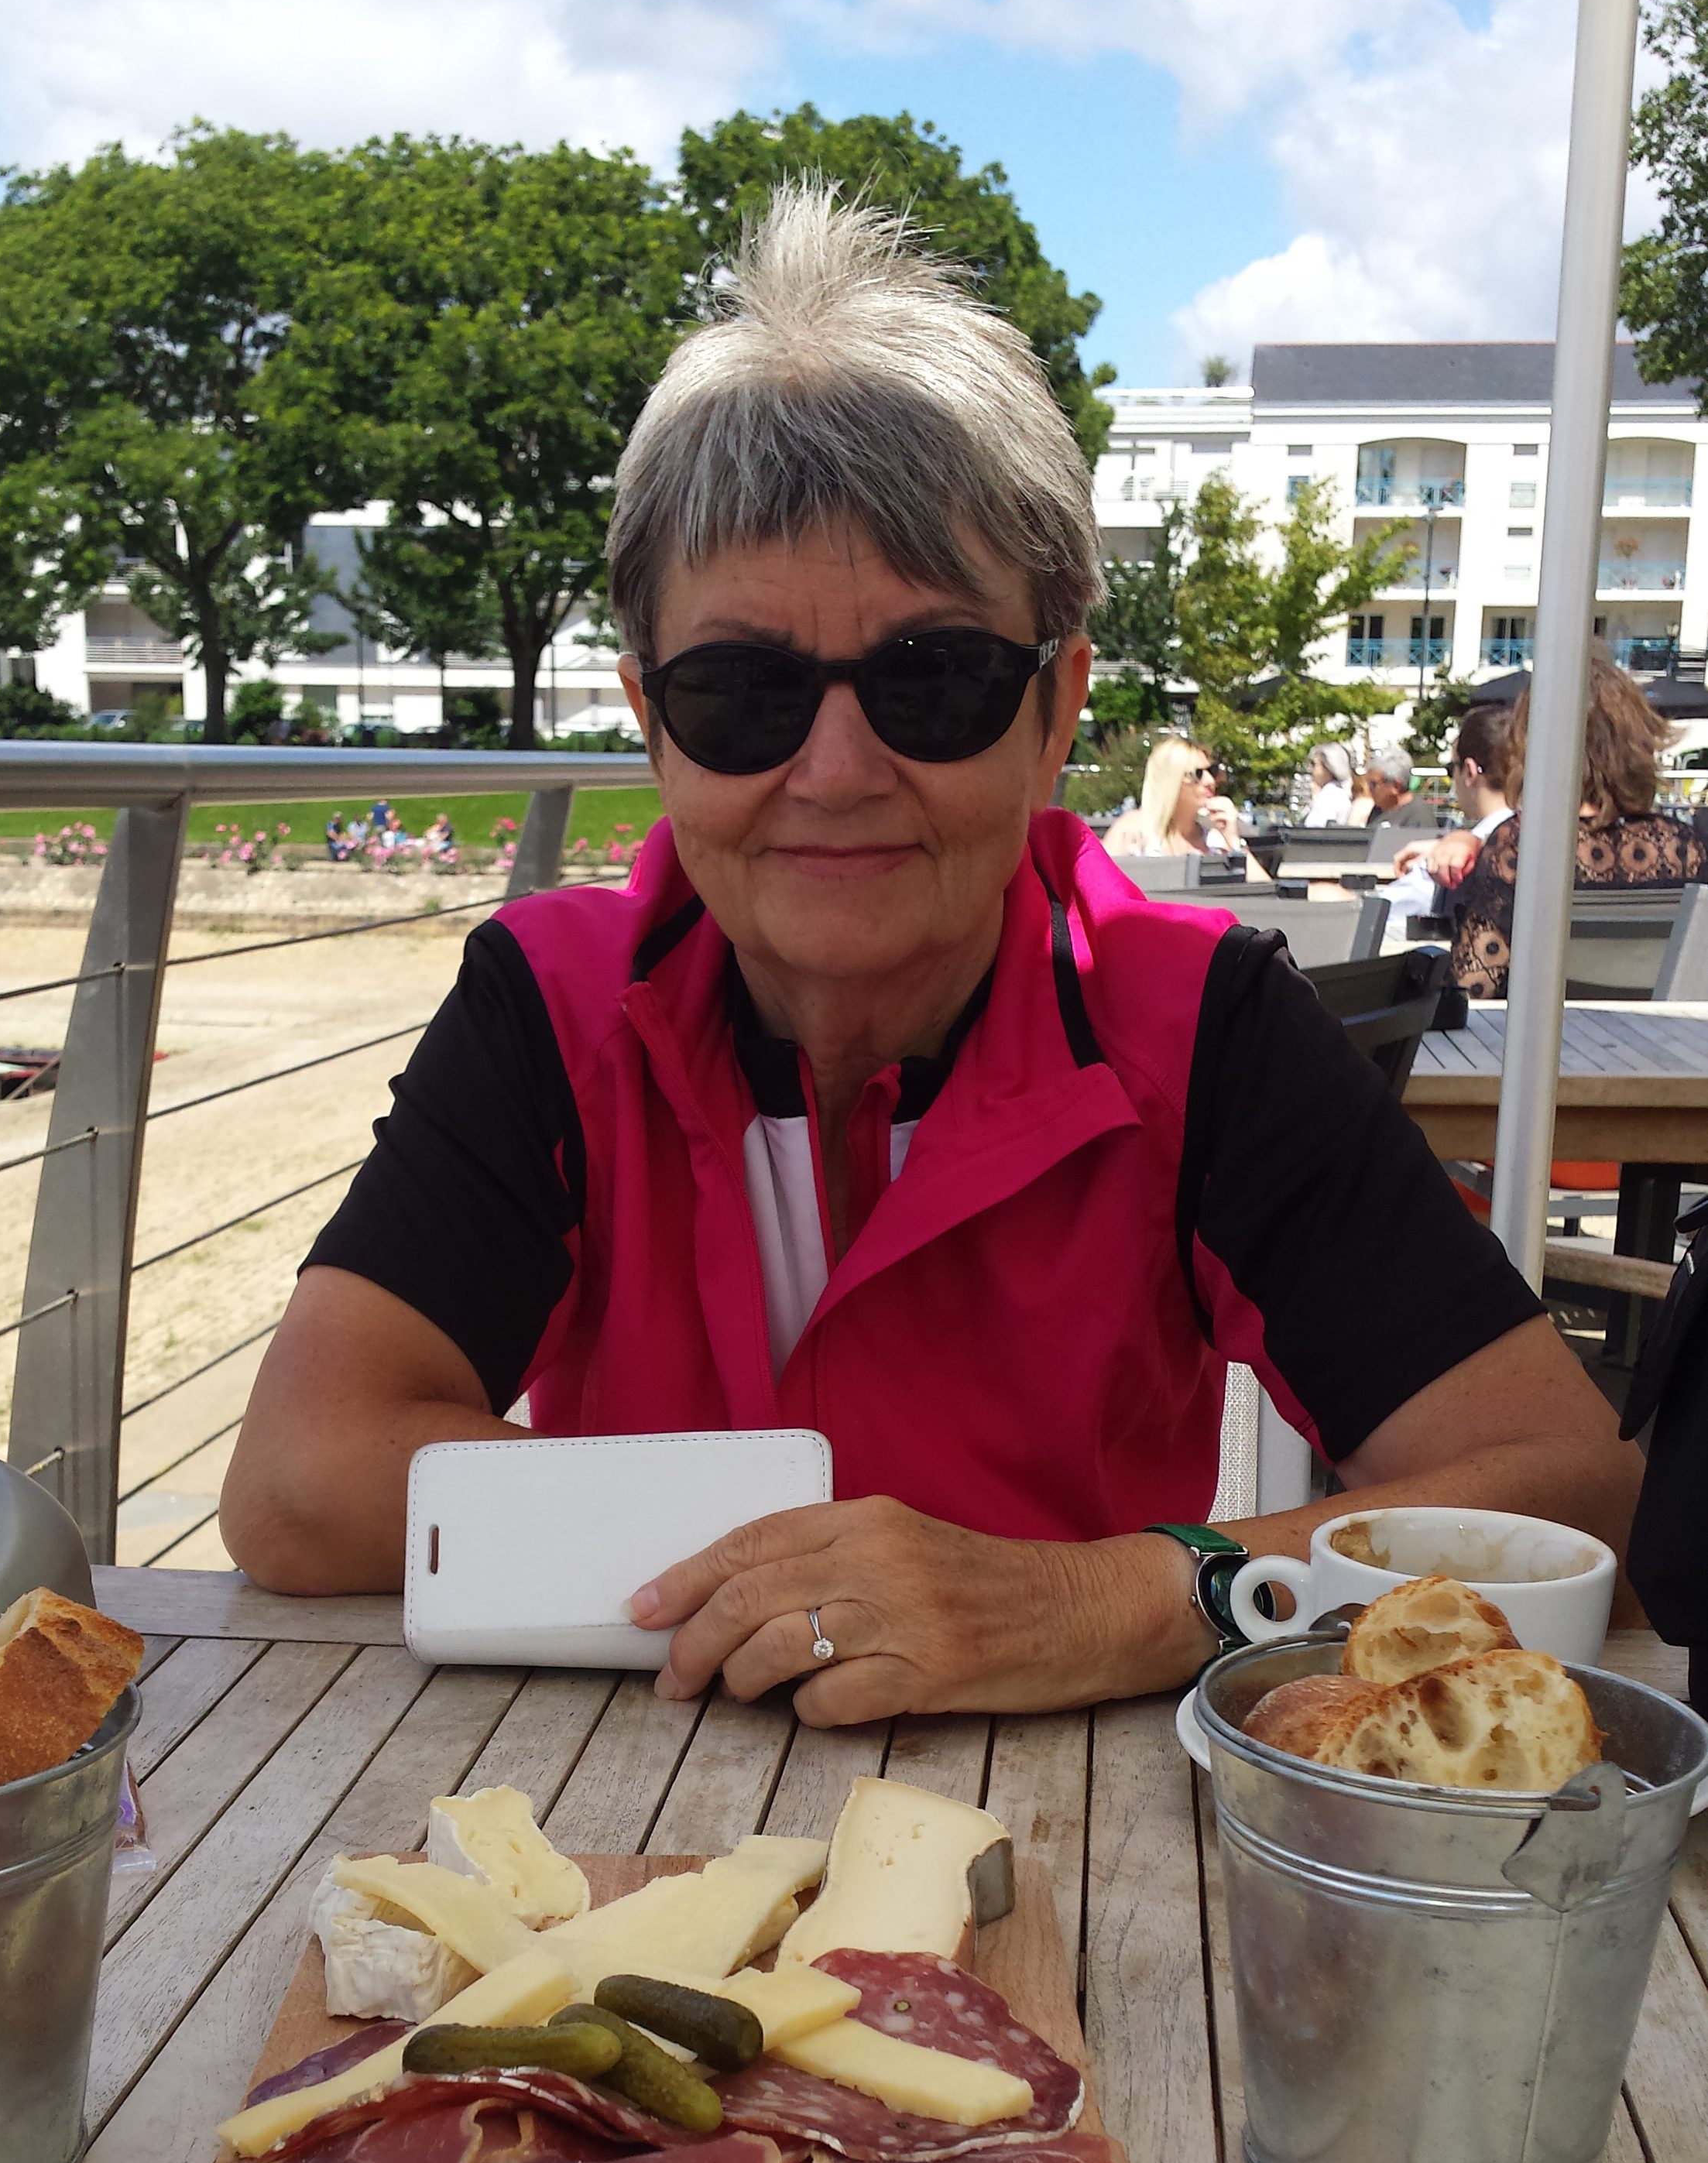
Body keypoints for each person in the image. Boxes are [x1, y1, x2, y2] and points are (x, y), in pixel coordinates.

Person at [219, 190, 1636, 1719]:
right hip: (613, 1797)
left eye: (935, 678)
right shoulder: (551, 1004)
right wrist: (805, 1584)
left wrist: (1104, 1600)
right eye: (742, 691)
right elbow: (299, 1482)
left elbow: (1570, 1492)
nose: (834, 772)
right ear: (651, 723)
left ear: (1055, 710)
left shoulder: (1199, 1024)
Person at [1442, 656, 1708, 994]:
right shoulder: (1684, 848)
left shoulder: (1520, 846)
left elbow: (1475, 987)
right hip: (1652, 1027)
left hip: (1549, 1028)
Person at [1381, 703, 1516, 948]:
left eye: (1452, 766)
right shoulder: (1552, 840)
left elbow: (1380, 912)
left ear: (1470, 771)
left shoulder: (1453, 858)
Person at [1103, 739, 1243, 870]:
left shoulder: (1216, 839)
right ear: (1171, 780)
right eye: (1198, 774)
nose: (1210, 781)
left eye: (1212, 771)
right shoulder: (1134, 828)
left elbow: (1256, 885)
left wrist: (1234, 842)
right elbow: (1098, 880)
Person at [1301, 742, 1356, 826]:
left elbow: (1314, 826)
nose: (1310, 769)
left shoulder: (1330, 794)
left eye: (1314, 764)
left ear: (1328, 767)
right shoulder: (1340, 792)